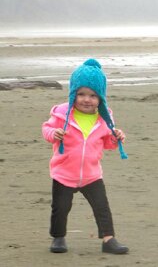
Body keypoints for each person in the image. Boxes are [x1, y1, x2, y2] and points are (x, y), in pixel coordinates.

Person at [42, 58, 129, 254]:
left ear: (101, 98)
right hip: (64, 172)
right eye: (81, 94)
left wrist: (116, 138)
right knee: (60, 209)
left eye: (92, 95)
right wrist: (53, 134)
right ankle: (58, 238)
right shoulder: (62, 114)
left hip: (91, 174)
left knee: (102, 208)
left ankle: (108, 239)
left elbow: (108, 144)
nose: (86, 99)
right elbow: (46, 129)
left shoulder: (104, 119)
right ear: (73, 94)